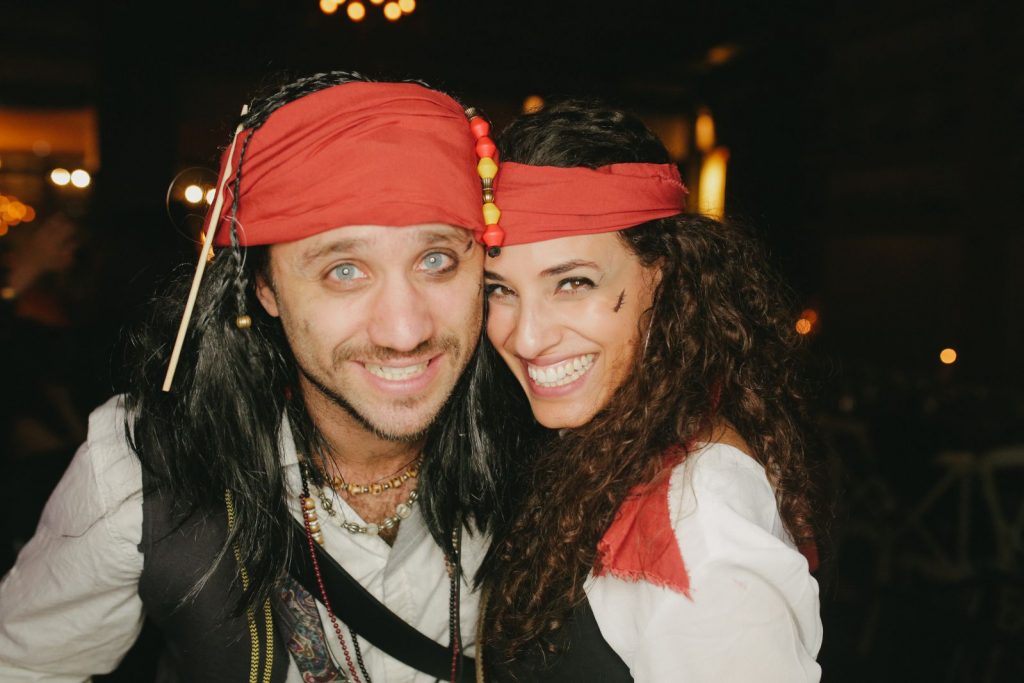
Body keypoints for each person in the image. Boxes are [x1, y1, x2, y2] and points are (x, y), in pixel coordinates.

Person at [0, 72, 502, 682]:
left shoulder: (546, 444)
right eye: (344, 270)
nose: (404, 330)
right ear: (264, 287)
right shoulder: (149, 463)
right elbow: (24, 666)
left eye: (436, 260)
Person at [475, 102, 823, 681]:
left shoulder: (699, 525)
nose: (526, 338)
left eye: (573, 283)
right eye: (499, 290)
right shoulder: (615, 437)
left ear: (663, 277)